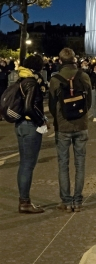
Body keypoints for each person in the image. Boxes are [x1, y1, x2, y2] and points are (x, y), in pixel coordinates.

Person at [49, 48, 92, 212]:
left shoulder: (55, 79)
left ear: (60, 61)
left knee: (63, 164)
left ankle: (66, 201)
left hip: (63, 126)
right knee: (80, 164)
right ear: (75, 60)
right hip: (81, 125)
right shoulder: (84, 76)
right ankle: (78, 201)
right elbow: (88, 102)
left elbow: (53, 105)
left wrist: (59, 118)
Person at [14, 54, 49, 213]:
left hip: (20, 124)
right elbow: (29, 107)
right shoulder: (32, 83)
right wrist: (41, 121)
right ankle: (25, 202)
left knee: (23, 164)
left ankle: (24, 199)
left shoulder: (21, 79)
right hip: (30, 125)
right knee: (28, 164)